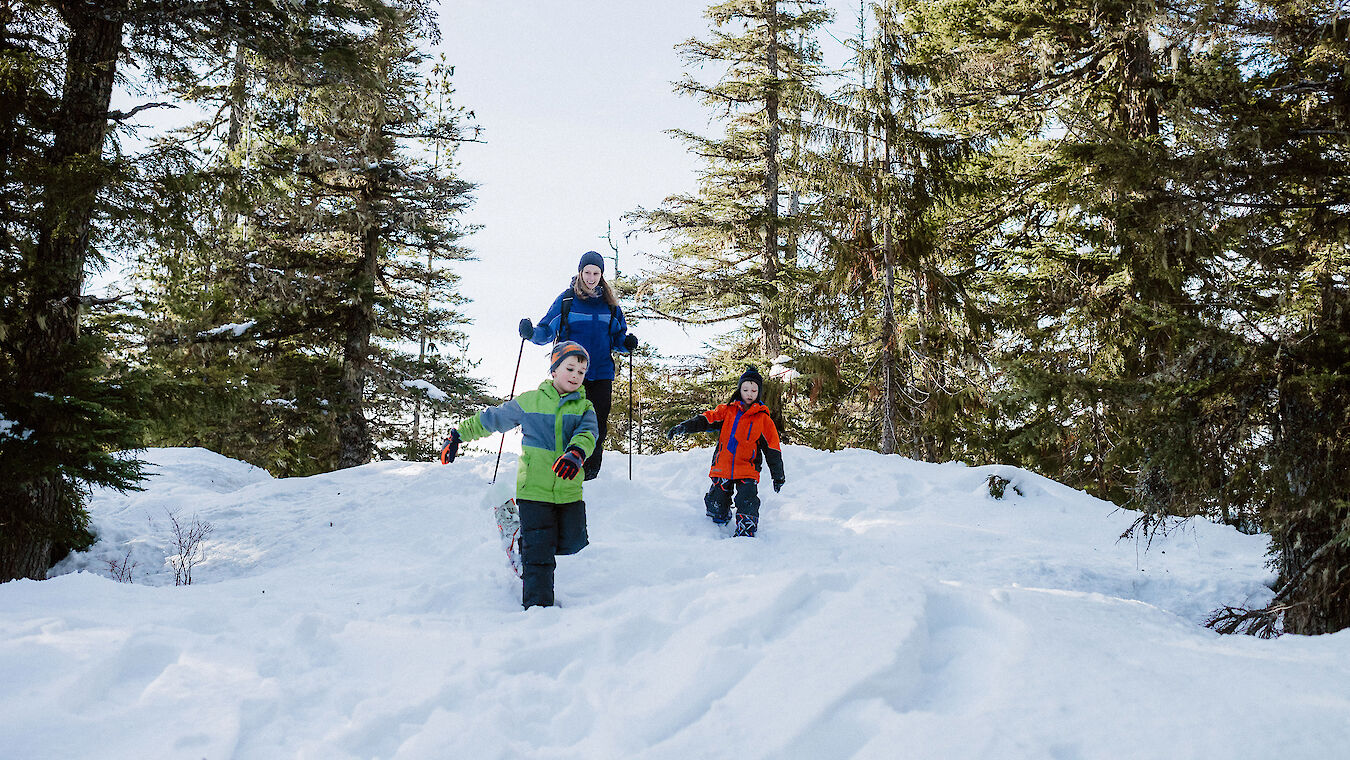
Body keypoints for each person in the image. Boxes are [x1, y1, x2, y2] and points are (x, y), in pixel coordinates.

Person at [439, 341, 598, 609]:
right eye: (570, 368)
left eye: (581, 372)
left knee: (573, 542)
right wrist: (458, 435)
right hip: (533, 490)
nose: (575, 376)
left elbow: (588, 434)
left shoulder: (584, 407)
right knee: (539, 553)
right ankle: (538, 608)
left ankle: (521, 539)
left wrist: (576, 453)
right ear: (554, 370)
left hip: (569, 490)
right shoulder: (529, 402)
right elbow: (493, 418)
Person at [518, 251, 638, 481]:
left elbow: (618, 338)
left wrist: (627, 343)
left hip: (601, 372)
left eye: (596, 273)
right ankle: (558, 467)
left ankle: (590, 473)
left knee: (597, 423)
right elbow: (546, 330)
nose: (591, 277)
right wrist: (531, 333)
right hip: (570, 372)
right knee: (565, 420)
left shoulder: (610, 306)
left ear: (601, 275)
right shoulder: (567, 301)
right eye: (587, 272)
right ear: (580, 272)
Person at [666, 365, 786, 537]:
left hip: (747, 469)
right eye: (745, 389)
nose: (749, 394)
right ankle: (719, 514)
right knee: (717, 503)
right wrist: (683, 427)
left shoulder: (763, 420)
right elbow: (705, 420)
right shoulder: (727, 411)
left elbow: (773, 449)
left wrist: (778, 476)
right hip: (723, 466)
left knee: (748, 499)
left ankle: (747, 525)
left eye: (754, 390)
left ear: (759, 392)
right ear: (740, 390)